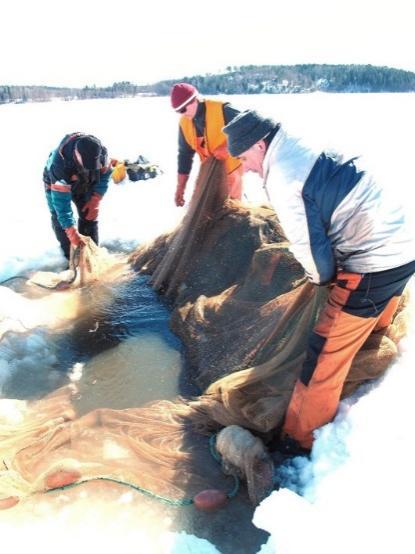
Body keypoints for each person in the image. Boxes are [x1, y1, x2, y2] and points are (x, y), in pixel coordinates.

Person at [223, 110, 415, 452]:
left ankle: (299, 441)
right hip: (404, 246)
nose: (246, 169)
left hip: (374, 261)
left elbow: (312, 252)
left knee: (322, 357)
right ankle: (368, 362)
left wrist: (316, 280)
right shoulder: (298, 143)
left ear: (259, 145)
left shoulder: (285, 176)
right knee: (372, 325)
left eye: (244, 159)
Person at [170, 82, 243, 206]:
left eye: (183, 109)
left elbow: (249, 127)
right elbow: (184, 155)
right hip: (208, 173)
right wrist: (180, 187)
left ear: (194, 100)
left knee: (230, 210)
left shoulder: (222, 109)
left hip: (231, 172)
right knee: (203, 208)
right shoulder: (184, 122)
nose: (182, 114)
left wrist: (228, 147)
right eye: (178, 111)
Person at [43, 133, 112, 259]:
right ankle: (71, 258)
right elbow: (62, 206)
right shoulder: (59, 164)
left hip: (84, 182)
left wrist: (96, 198)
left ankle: (92, 255)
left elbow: (105, 175)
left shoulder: (102, 154)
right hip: (56, 184)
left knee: (89, 215)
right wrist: (71, 231)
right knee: (60, 220)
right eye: (86, 164)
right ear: (76, 153)